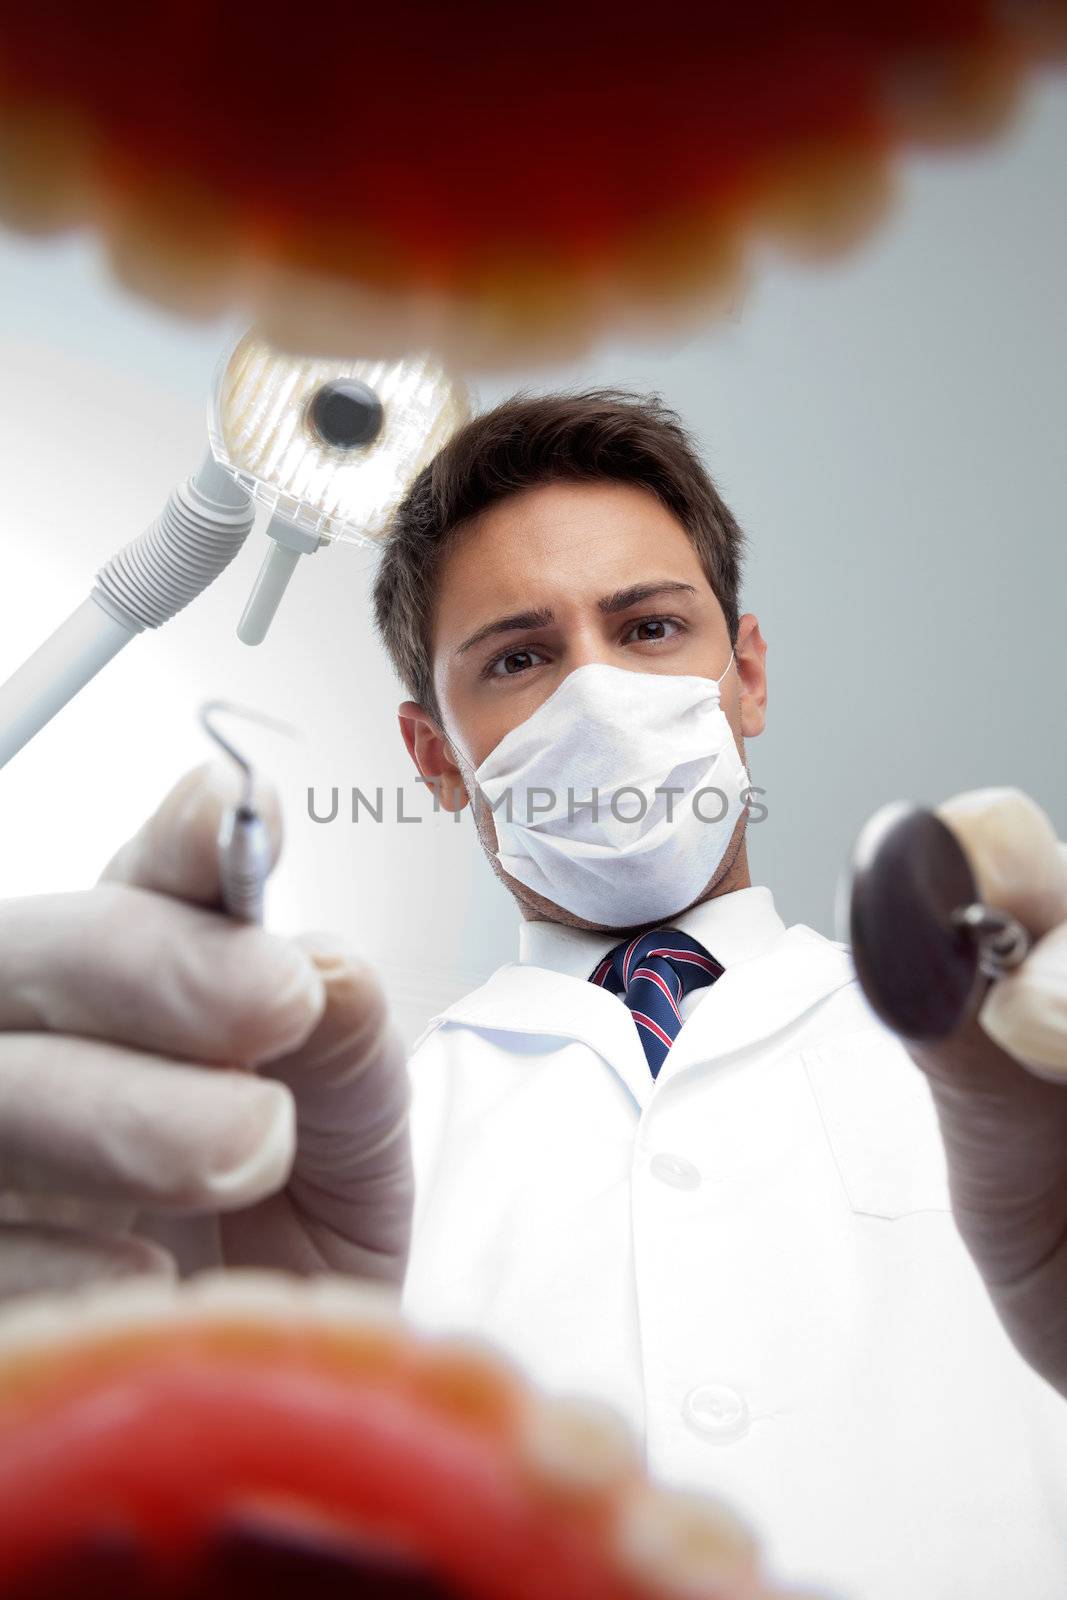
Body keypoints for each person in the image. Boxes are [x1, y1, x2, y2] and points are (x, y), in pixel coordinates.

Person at [0, 391, 1065, 1600]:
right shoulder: (324, 1165)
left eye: (650, 629)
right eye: (519, 656)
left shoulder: (1007, 1071)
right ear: (435, 756)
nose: (597, 696)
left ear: (747, 674)